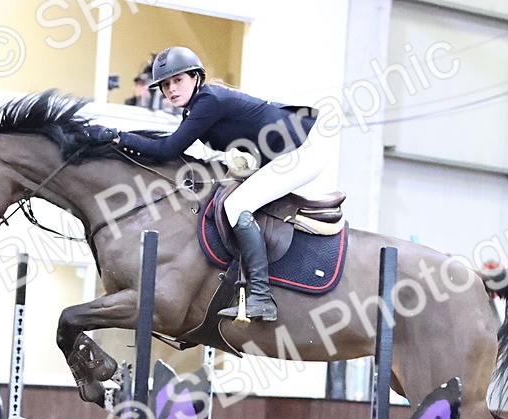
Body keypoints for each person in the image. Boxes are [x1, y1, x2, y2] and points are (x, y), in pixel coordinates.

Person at [85, 46, 328, 322]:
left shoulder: (208, 100)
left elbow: (167, 149)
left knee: (236, 205)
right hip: (283, 153)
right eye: (165, 85)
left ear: (196, 77)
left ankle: (261, 296)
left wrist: (119, 137)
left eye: (178, 80)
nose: (171, 89)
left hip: (302, 151)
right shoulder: (194, 110)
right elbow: (181, 152)